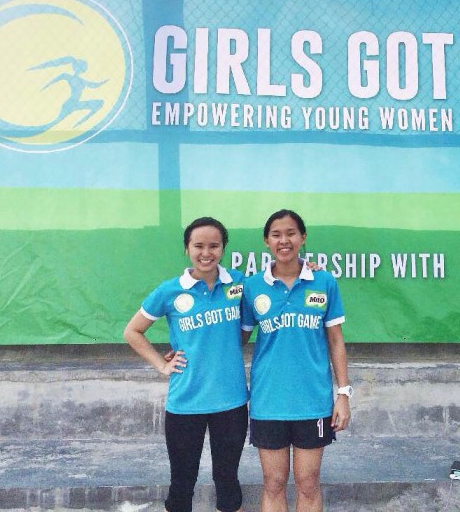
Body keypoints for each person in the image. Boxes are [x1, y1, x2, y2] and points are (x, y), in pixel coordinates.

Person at [124, 217, 249, 512]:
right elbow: (132, 331)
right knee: (182, 482)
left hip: (230, 401)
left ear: (223, 248)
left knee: (227, 480)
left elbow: (278, 279)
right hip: (185, 402)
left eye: (214, 246)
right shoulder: (170, 291)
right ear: (187, 249)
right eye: (199, 246)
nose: (207, 253)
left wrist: (313, 270)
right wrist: (161, 364)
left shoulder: (240, 283)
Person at [240, 209, 353, 512]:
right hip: (268, 401)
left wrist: (343, 395)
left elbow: (335, 340)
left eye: (291, 233)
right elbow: (235, 339)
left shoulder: (324, 281)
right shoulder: (252, 287)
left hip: (313, 401)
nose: (284, 240)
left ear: (303, 238)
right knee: (273, 483)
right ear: (266, 241)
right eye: (276, 234)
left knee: (308, 482)